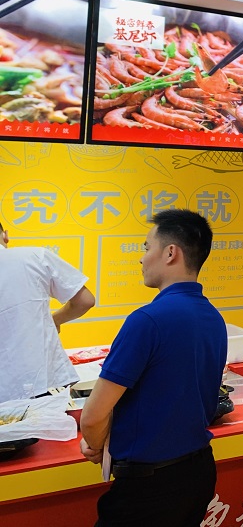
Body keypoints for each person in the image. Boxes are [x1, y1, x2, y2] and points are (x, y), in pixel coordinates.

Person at [80, 209, 227, 527]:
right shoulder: (213, 317)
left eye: (147, 247)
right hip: (199, 472)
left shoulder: (147, 320)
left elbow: (92, 416)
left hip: (149, 487)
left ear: (171, 253)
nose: (141, 258)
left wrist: (98, 444)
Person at [0, 221, 95, 403]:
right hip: (39, 384)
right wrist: (55, 320)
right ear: (6, 235)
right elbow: (85, 301)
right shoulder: (35, 256)